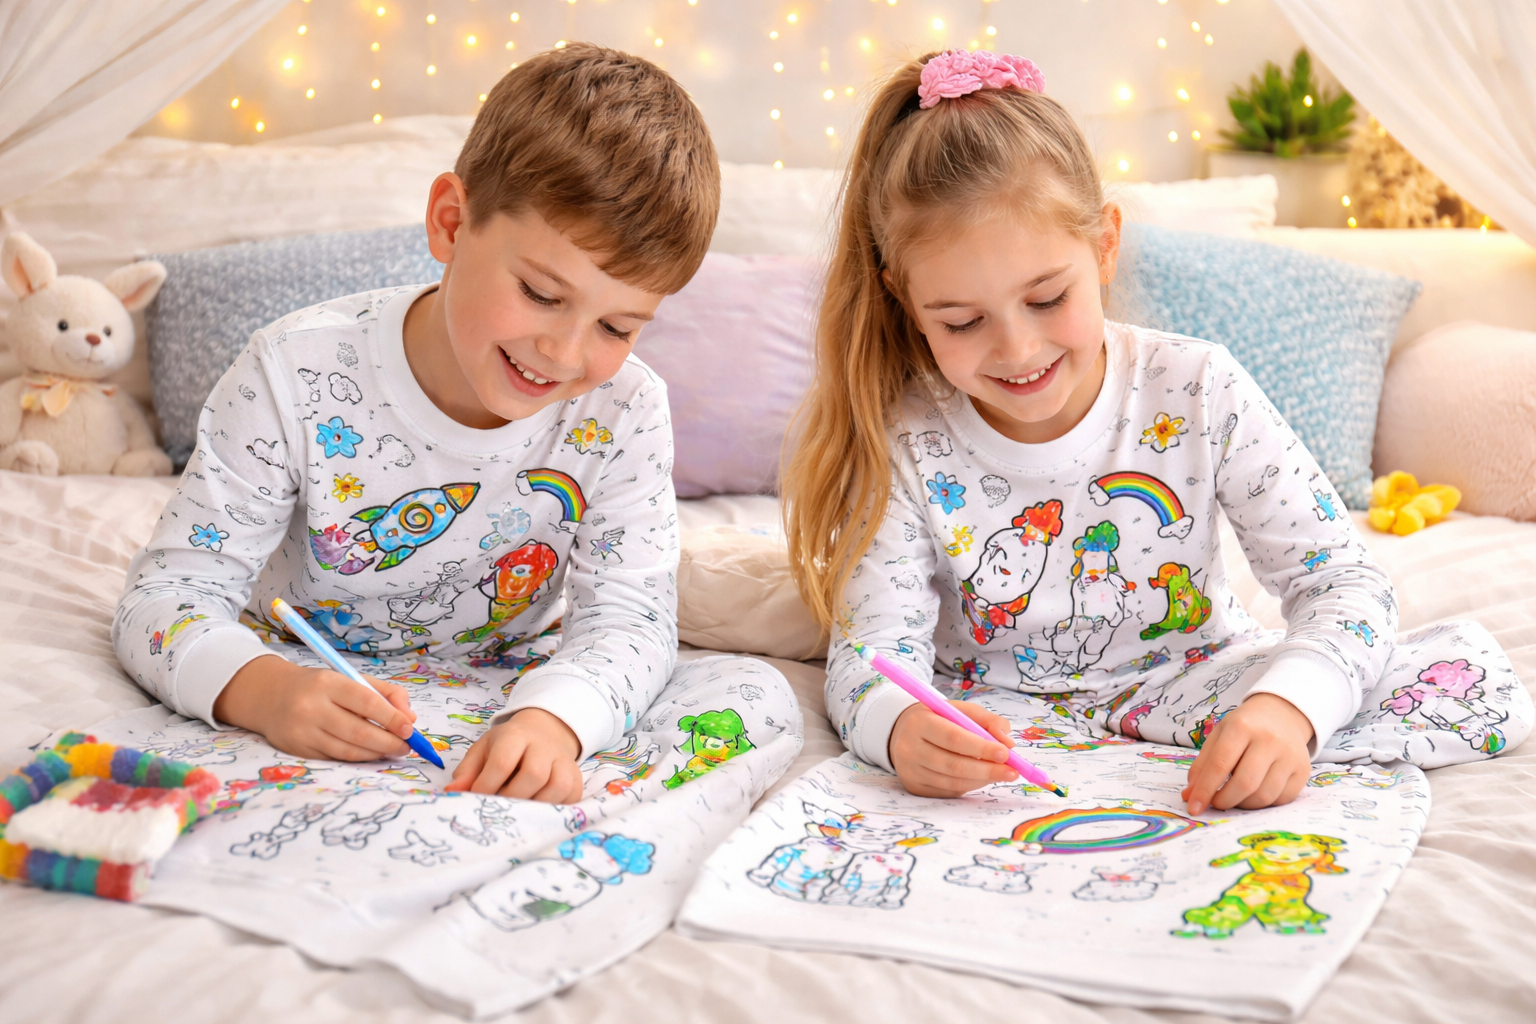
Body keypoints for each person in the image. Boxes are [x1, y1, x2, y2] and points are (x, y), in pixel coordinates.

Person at [782, 50, 1530, 811]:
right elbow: (874, 659)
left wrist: (1286, 711)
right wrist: (901, 726)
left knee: (1469, 684)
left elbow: (1344, 583)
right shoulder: (905, 435)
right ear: (904, 300)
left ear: (1104, 245)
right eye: (963, 321)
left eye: (1046, 299)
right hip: (1002, 727)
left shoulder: (1198, 386)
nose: (1017, 349)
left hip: (1192, 688)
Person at [114, 43, 794, 803]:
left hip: (507, 694)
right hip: (298, 673)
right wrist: (265, 692)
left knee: (756, 701)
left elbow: (632, 622)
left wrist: (553, 722)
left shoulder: (625, 409)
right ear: (450, 223)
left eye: (618, 327)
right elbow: (165, 598)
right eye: (541, 293)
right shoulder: (290, 372)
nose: (565, 353)